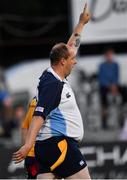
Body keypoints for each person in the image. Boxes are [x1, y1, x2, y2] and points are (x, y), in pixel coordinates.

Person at [13, 3, 91, 179]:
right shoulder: (54, 86)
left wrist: (81, 24)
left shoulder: (51, 75)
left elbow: (71, 46)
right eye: (72, 59)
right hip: (60, 145)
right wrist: (27, 145)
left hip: (46, 148)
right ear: (62, 61)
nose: (75, 61)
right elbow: (38, 116)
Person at [98, 48, 120, 129]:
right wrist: (109, 85)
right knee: (104, 106)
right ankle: (104, 123)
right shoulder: (102, 66)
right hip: (104, 87)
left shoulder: (115, 65)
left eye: (111, 55)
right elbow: (101, 78)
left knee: (115, 105)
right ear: (106, 56)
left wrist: (114, 85)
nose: (110, 57)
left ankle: (117, 122)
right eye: (108, 55)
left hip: (113, 87)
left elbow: (116, 76)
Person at [21, 96, 39, 179]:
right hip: (41, 155)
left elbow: (24, 128)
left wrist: (26, 148)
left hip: (30, 155)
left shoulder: (33, 101)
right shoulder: (48, 100)